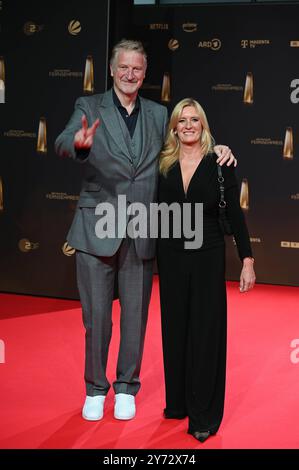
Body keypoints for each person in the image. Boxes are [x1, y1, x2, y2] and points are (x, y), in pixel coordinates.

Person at [55, 39, 236, 422]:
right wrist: (79, 144)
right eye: (124, 67)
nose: (130, 74)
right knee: (97, 317)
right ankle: (94, 387)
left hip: (142, 230)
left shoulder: (158, 113)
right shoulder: (88, 107)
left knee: (135, 316)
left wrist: (219, 150)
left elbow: (185, 146)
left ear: (144, 71)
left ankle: (126, 387)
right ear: (111, 69)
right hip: (96, 229)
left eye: (137, 68)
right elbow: (62, 142)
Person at [157, 98, 255, 442]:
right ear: (173, 126)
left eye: (194, 120)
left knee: (205, 333)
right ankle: (179, 403)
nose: (188, 126)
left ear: (203, 125)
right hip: (169, 256)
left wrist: (247, 259)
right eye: (182, 120)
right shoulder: (163, 162)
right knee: (175, 330)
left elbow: (236, 215)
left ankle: (204, 415)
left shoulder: (219, 161)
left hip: (207, 254)